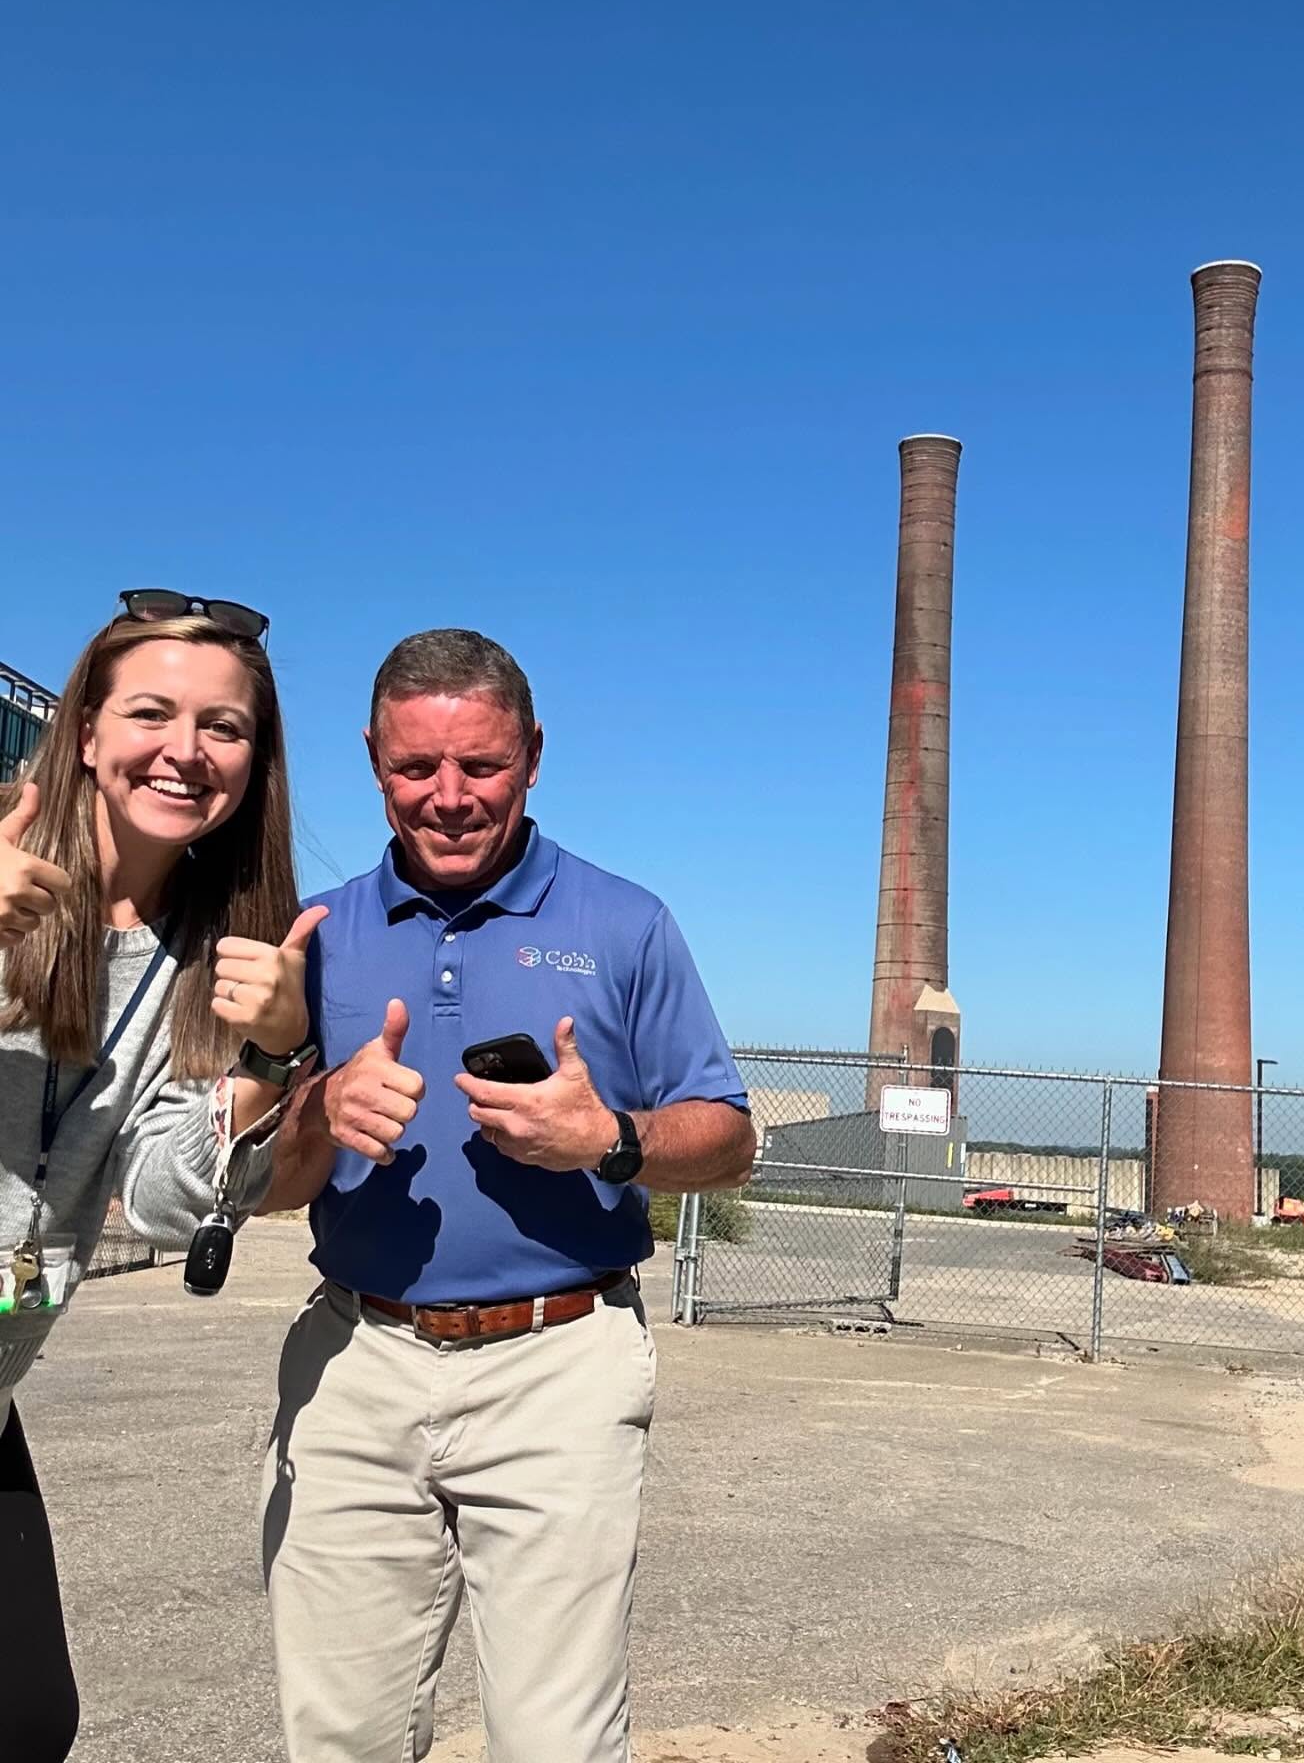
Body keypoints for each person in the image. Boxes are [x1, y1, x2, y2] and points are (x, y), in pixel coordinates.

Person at [261, 627, 754, 1763]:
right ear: (372, 759)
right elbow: (268, 1187)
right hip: (355, 1362)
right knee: (340, 1735)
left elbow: (727, 1137)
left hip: (558, 1365)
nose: (446, 800)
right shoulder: (317, 937)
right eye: (414, 768)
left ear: (532, 755)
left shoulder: (625, 924)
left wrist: (611, 1138)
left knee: (554, 1742)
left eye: (479, 767)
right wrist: (317, 1110)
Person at [0, 592, 324, 1761]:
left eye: (223, 727)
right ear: (85, 727)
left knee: (28, 1718)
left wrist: (275, 1059)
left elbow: (160, 1195)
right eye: (151, 712)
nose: (184, 752)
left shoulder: (204, 951)